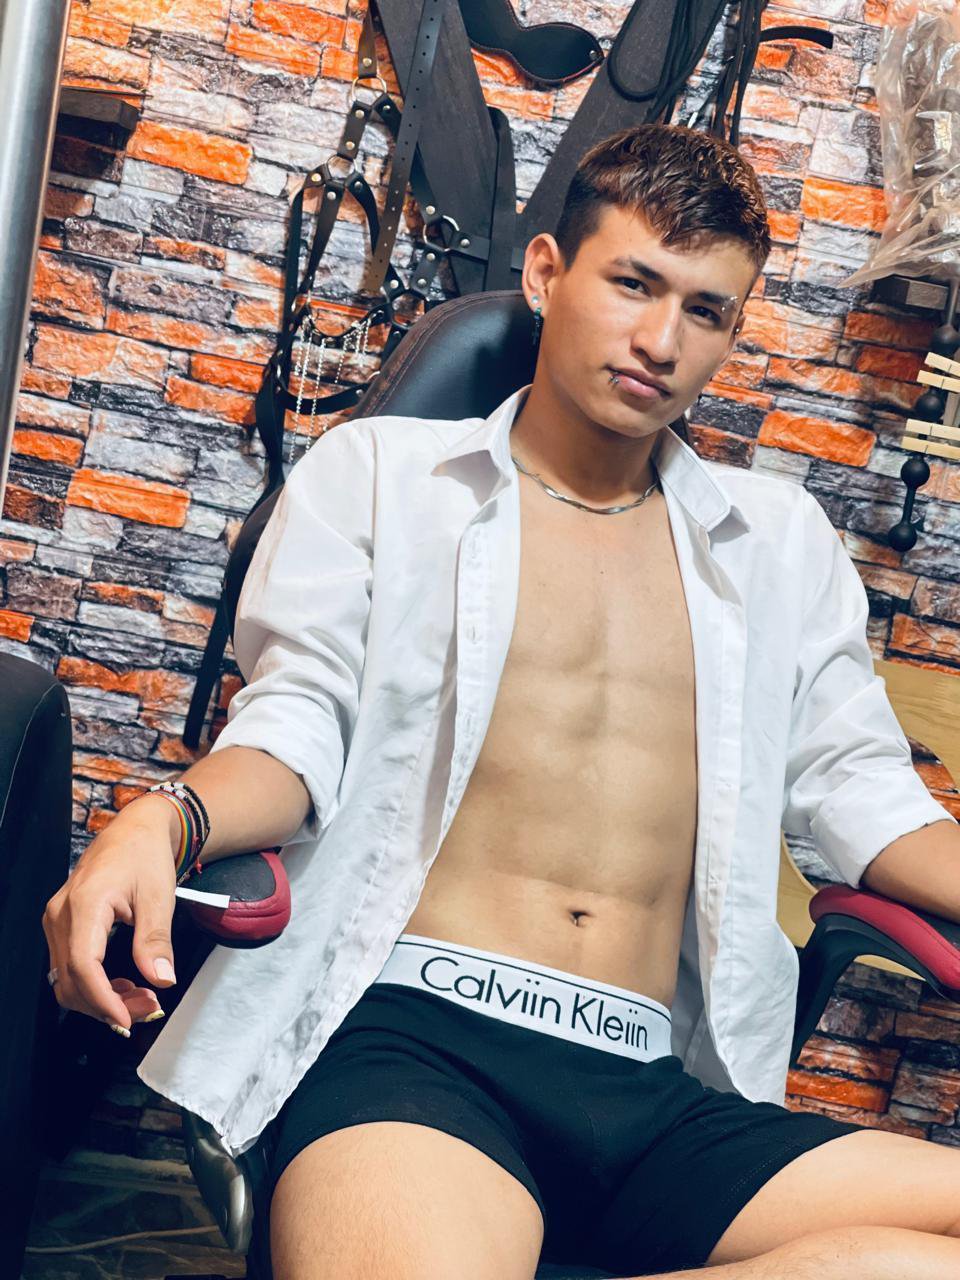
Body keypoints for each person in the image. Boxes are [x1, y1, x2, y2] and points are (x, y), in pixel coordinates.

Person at [43, 123, 960, 1280]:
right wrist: (161, 817)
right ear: (545, 272)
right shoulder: (381, 479)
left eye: (705, 310)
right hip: (413, 1052)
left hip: (655, 1087)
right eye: (633, 283)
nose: (662, 340)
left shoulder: (776, 545)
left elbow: (863, 794)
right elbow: (294, 728)